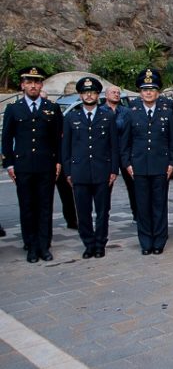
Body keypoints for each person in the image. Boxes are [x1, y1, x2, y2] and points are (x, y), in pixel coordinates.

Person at [2, 67, 62, 263]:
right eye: (29, 82)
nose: (33, 85)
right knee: (27, 206)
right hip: (24, 166)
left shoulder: (51, 108)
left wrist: (58, 161)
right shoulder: (14, 109)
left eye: (36, 82)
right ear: (22, 85)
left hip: (46, 165)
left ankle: (44, 246)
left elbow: (57, 139)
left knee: (45, 207)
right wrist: (9, 164)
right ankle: (30, 245)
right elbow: (6, 138)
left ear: (41, 85)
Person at [121, 68, 173, 255]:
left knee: (159, 206)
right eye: (145, 89)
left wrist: (171, 163)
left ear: (158, 92)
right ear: (140, 92)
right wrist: (128, 164)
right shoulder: (131, 112)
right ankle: (146, 242)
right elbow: (126, 142)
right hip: (139, 167)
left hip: (161, 167)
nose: (148, 92)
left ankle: (159, 241)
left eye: (152, 89)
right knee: (143, 207)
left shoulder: (166, 112)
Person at [62, 77, 119, 258]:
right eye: (85, 92)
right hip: (80, 172)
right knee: (83, 211)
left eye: (92, 92)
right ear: (80, 95)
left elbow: (113, 146)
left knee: (103, 211)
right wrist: (68, 171)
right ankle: (88, 243)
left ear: (98, 95)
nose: (89, 95)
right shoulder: (72, 117)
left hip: (102, 171)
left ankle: (100, 243)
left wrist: (113, 170)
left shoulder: (107, 116)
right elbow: (66, 147)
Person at [42, 89, 79, 231]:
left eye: (45, 99)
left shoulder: (54, 111)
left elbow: (63, 134)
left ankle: (71, 220)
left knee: (67, 193)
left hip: (59, 158)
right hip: (43, 159)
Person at [104, 85, 137, 223]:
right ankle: (104, 214)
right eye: (113, 92)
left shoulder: (127, 112)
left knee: (132, 185)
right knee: (106, 186)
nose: (116, 95)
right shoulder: (101, 112)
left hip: (125, 152)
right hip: (108, 154)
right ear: (106, 95)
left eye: (118, 93)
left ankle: (137, 213)